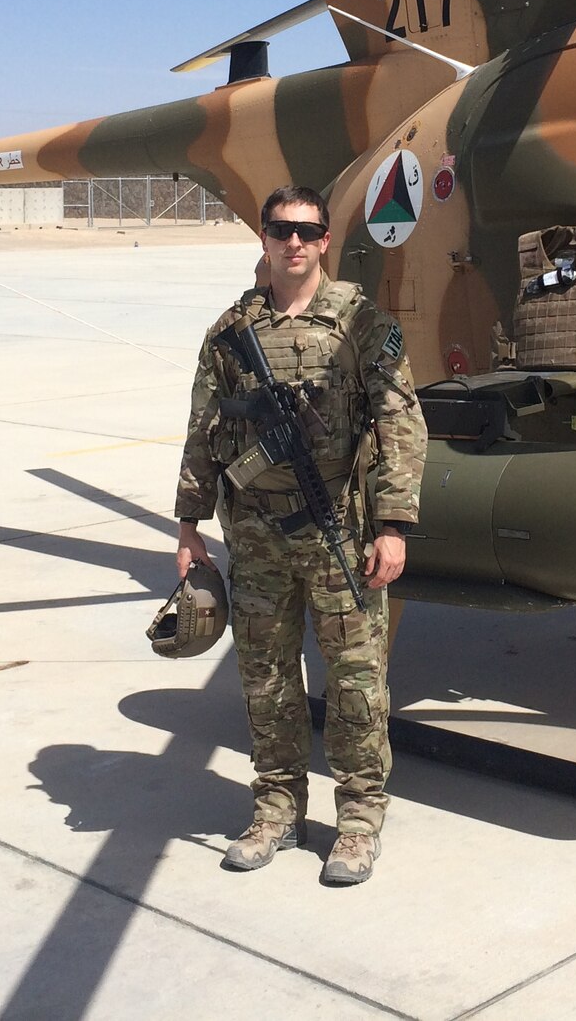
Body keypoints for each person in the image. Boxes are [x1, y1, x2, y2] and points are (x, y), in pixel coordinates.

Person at [173, 185, 425, 887]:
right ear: (264, 237)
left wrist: (394, 526)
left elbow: (401, 422)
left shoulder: (361, 322)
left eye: (307, 232)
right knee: (267, 681)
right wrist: (189, 527)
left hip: (340, 534)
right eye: (281, 230)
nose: (294, 243)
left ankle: (358, 821)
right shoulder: (229, 330)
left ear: (324, 240)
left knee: (354, 684)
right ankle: (277, 809)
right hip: (253, 537)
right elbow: (203, 427)